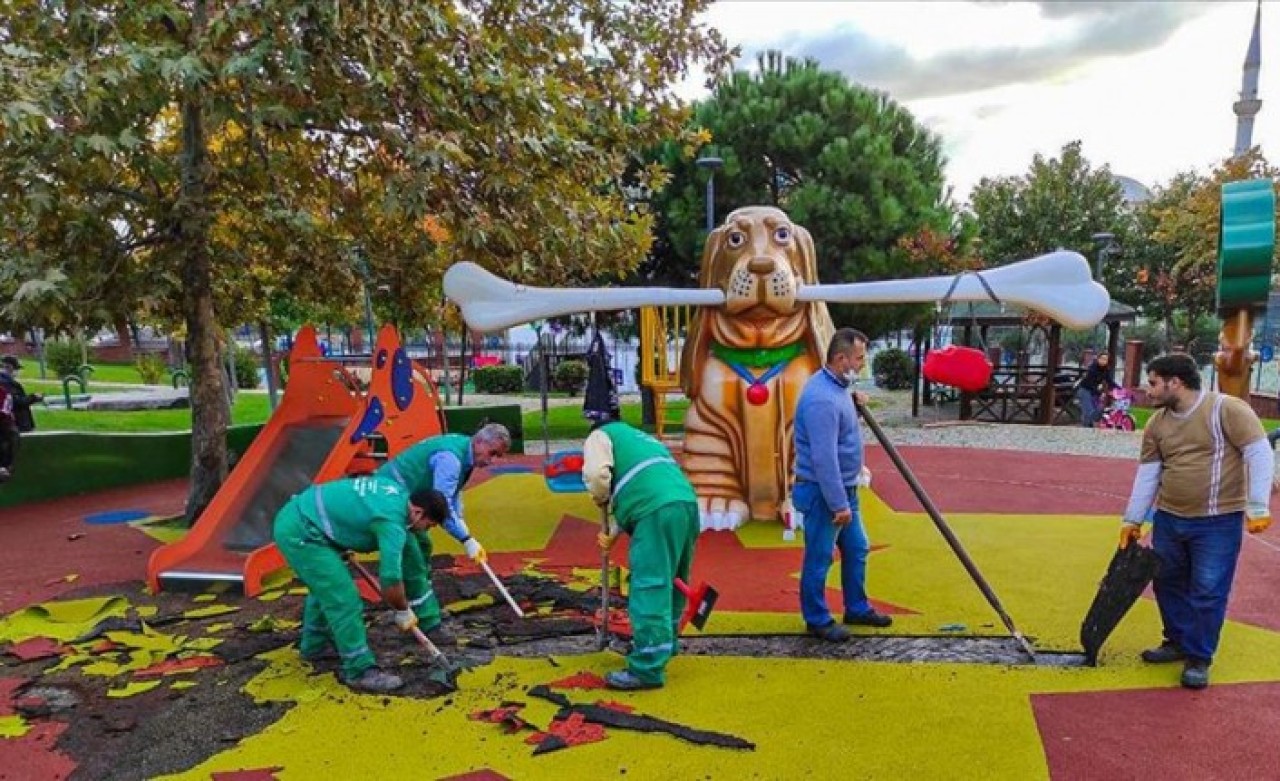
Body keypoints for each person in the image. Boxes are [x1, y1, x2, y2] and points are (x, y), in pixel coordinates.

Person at [1118, 353, 1273, 690]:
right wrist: (1133, 519)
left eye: (1154, 382)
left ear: (1176, 382)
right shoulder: (1158, 423)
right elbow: (1148, 474)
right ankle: (1176, 641)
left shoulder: (1225, 410)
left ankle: (1199, 657)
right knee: (1167, 582)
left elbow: (1259, 452)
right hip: (1170, 519)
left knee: (1207, 590)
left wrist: (1258, 505)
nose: (1150, 389)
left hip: (1217, 521)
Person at [272, 475, 450, 693]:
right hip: (301, 532)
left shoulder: (399, 495)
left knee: (326, 588)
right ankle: (359, 670)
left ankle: (314, 645)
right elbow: (390, 577)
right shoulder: (391, 523)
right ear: (418, 512)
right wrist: (402, 610)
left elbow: (355, 510)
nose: (425, 530)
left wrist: (341, 537)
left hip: (309, 517)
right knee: (343, 597)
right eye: (427, 525)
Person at [793, 327, 891, 643]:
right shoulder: (822, 399)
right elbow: (824, 458)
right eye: (859, 358)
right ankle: (817, 618)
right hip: (825, 492)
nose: (863, 364)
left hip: (843, 489)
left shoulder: (835, 389)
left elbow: (840, 430)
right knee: (819, 556)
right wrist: (838, 504)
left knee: (857, 547)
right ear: (840, 359)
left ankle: (857, 607)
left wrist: (852, 401)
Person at [586, 418, 699, 691]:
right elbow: (640, 483)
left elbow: (597, 476)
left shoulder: (598, 436)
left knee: (650, 584)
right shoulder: (641, 439)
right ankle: (665, 643)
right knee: (672, 578)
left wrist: (600, 497)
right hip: (685, 505)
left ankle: (647, 666)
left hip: (655, 511)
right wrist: (613, 533)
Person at [375, 423, 511, 644]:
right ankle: (428, 623)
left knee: (425, 545)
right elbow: (442, 505)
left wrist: (464, 529)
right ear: (479, 442)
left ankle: (418, 605)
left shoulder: (463, 451)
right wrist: (465, 539)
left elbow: (453, 496)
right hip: (389, 501)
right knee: (413, 555)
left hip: (405, 500)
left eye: (498, 456)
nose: (492, 461)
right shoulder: (451, 459)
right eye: (492, 453)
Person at [0, 356, 42, 480]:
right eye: (16, 369)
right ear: (9, 368)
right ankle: (5, 468)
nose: (17, 372)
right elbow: (16, 402)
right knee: (11, 440)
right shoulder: (5, 383)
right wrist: (33, 397)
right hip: (14, 424)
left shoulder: (8, 383)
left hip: (14, 423)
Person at [1075, 351, 1114, 428]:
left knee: (1099, 411)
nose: (1103, 361)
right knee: (1089, 413)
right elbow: (1090, 384)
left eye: (1106, 359)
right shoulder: (1092, 369)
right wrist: (1100, 393)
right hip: (1084, 390)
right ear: (1098, 359)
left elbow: (1110, 381)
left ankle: (1088, 425)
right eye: (1102, 358)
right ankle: (1085, 429)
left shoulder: (1106, 370)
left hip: (1093, 392)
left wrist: (1120, 390)